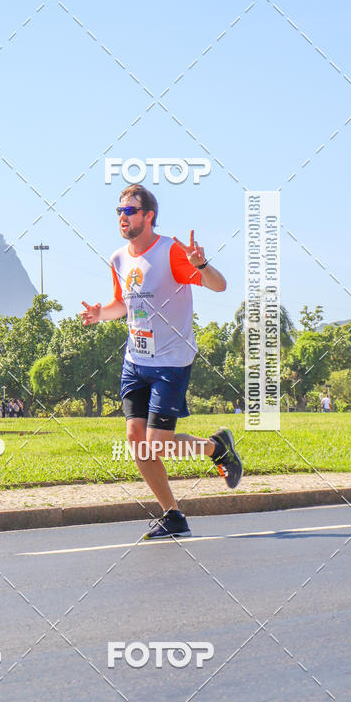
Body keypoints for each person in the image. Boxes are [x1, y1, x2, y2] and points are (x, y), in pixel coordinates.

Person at [81, 185, 243, 540]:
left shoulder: (171, 251)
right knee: (136, 439)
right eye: (119, 211)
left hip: (171, 361)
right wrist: (100, 314)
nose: (122, 217)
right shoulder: (119, 258)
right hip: (135, 360)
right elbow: (121, 304)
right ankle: (173, 515)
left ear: (148, 215)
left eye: (130, 211)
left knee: (159, 443)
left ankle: (218, 448)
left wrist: (201, 263)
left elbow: (219, 286)